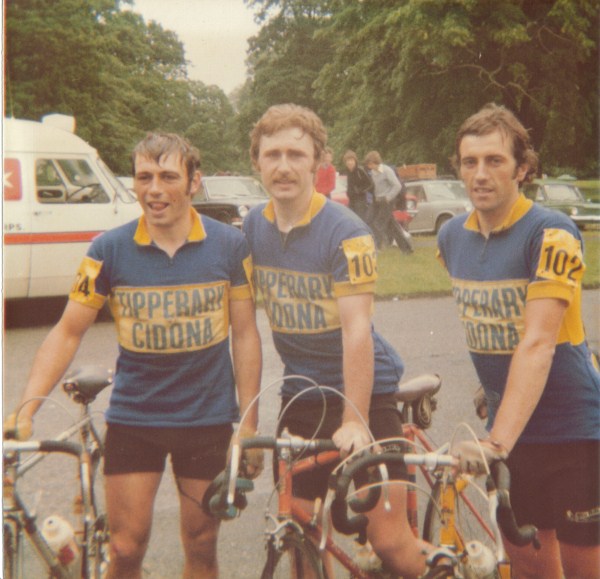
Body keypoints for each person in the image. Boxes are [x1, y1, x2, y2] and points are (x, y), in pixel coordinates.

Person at [4, 132, 264, 579]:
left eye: (168, 177)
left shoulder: (229, 246)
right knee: (125, 548)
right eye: (144, 177)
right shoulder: (108, 249)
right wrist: (26, 407)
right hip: (136, 418)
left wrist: (250, 423)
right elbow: (67, 332)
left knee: (201, 545)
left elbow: (245, 335)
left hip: (207, 420)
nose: (154, 189)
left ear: (194, 181)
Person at [244, 103, 429, 578]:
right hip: (302, 391)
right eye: (272, 155)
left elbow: (356, 330)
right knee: (299, 525)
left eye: (296, 154)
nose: (284, 166)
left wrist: (354, 418)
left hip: (366, 391)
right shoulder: (252, 227)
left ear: (319, 162)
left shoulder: (347, 231)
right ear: (257, 162)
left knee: (390, 542)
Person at [438, 103, 600, 578]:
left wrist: (496, 442)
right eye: (470, 162)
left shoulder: (552, 232)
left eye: (495, 161)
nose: (480, 174)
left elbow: (537, 342)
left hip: (570, 432)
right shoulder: (451, 237)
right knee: (530, 570)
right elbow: (490, 323)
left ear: (523, 169)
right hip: (512, 433)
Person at [364, 150, 412, 253]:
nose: (369, 166)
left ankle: (377, 247)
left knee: (378, 224)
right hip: (377, 201)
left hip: (387, 201)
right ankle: (407, 249)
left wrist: (388, 197)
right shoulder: (372, 173)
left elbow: (397, 186)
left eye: (370, 163)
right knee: (387, 224)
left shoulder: (387, 170)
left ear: (375, 162)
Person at [343, 149, 374, 224]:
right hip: (352, 200)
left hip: (361, 200)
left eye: (351, 160)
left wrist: (359, 191)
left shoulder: (360, 170)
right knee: (351, 220)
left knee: (360, 221)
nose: (350, 162)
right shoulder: (348, 172)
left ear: (355, 161)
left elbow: (370, 184)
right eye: (348, 161)